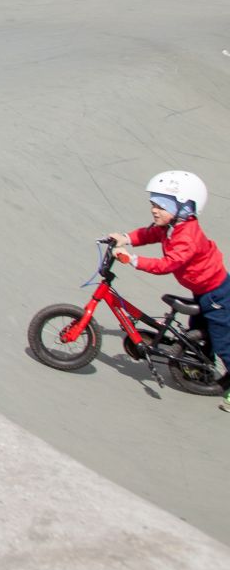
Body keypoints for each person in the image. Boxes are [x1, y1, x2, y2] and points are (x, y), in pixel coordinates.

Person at [106, 171, 230, 409]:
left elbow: (168, 264)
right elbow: (149, 233)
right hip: (203, 290)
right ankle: (201, 364)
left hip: (217, 294)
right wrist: (126, 238)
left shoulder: (187, 236)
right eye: (154, 204)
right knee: (200, 331)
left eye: (162, 206)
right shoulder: (172, 225)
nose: (155, 210)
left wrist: (131, 260)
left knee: (223, 340)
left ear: (185, 207)